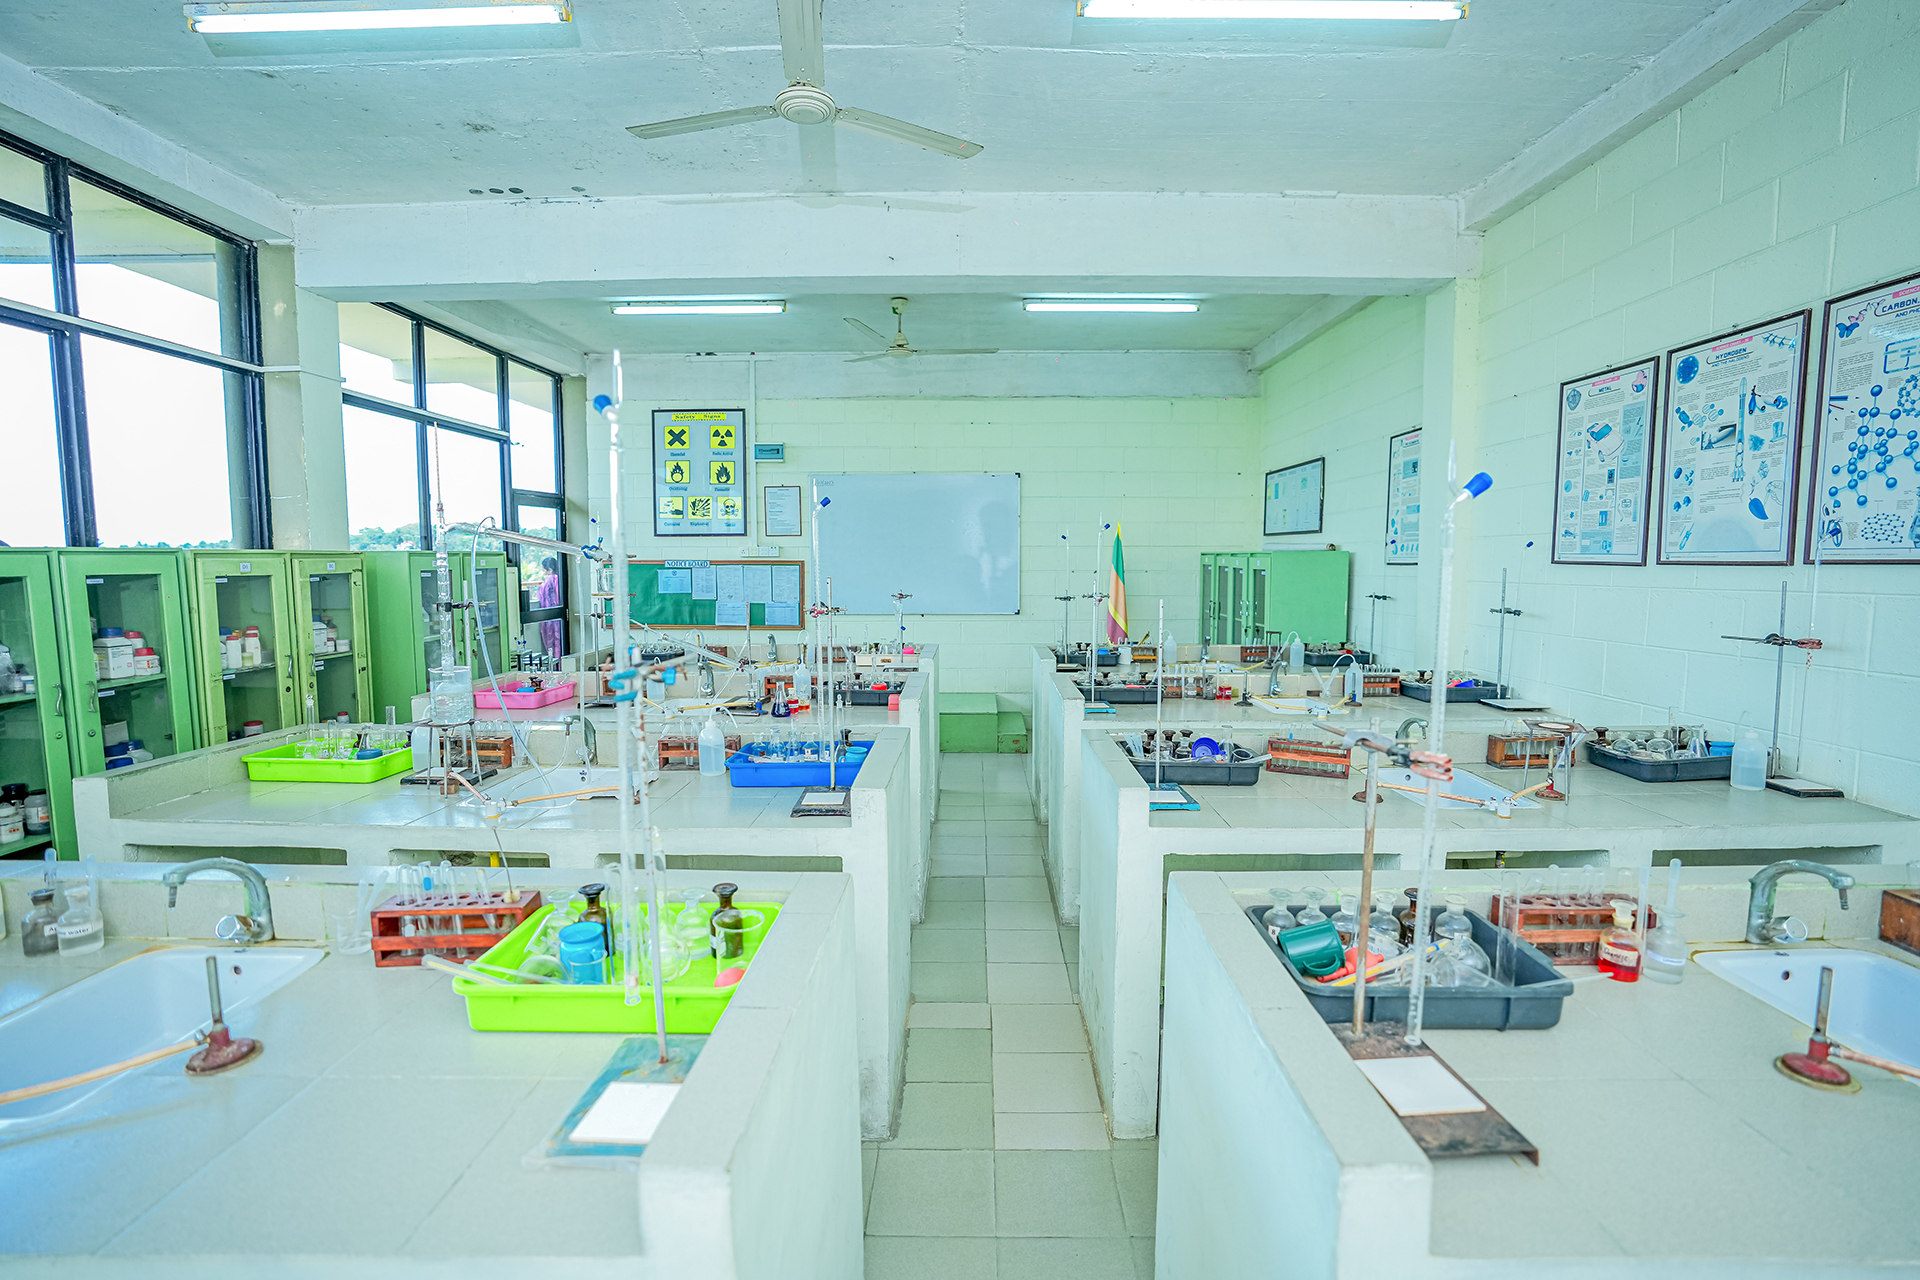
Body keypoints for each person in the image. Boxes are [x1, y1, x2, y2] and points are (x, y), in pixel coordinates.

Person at [537, 556, 564, 660]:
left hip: (549, 618)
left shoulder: (550, 580)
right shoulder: (560, 579)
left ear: (550, 569)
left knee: (552, 644)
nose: (544, 573)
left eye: (544, 570)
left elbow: (540, 596)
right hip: (557, 617)